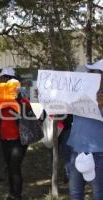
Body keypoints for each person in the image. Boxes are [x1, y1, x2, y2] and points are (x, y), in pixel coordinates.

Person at [67, 63, 103, 200]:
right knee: (75, 194)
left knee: (99, 194)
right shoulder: (81, 94)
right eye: (92, 72)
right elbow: (60, 108)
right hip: (76, 151)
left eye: (97, 72)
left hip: (99, 154)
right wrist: (45, 97)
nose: (93, 75)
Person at [0, 68, 30, 200]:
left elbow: (26, 116)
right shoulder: (2, 102)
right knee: (9, 167)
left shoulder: (23, 102)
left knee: (15, 168)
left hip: (18, 140)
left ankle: (17, 195)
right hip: (5, 139)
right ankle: (11, 193)